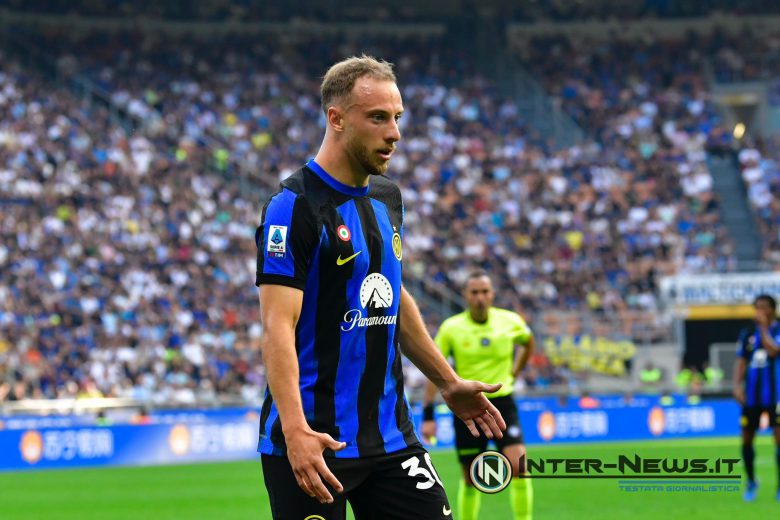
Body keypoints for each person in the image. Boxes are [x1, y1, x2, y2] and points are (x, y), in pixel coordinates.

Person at [255, 55, 507, 520]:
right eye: (377, 118)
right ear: (336, 119)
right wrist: (295, 430)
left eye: (397, 118)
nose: (394, 133)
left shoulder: (387, 198)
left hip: (391, 438)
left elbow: (391, 295)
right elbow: (276, 326)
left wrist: (447, 383)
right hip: (316, 440)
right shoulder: (294, 207)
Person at [422, 270, 535, 520]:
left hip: (503, 402)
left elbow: (528, 342)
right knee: (472, 478)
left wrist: (515, 371)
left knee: (519, 466)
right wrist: (428, 413)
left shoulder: (510, 321)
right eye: (474, 292)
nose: (480, 297)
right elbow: (434, 369)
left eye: (485, 292)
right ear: (466, 295)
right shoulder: (452, 328)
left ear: (492, 294)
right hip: (468, 406)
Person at [733, 294, 780, 502]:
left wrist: (764, 329)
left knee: (779, 441)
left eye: (764, 307)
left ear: (773, 309)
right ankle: (751, 481)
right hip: (751, 396)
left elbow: (773, 351)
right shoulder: (747, 333)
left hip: (776, 395)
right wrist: (736, 386)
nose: (760, 311)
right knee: (746, 440)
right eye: (757, 307)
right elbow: (741, 361)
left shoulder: (777, 330)